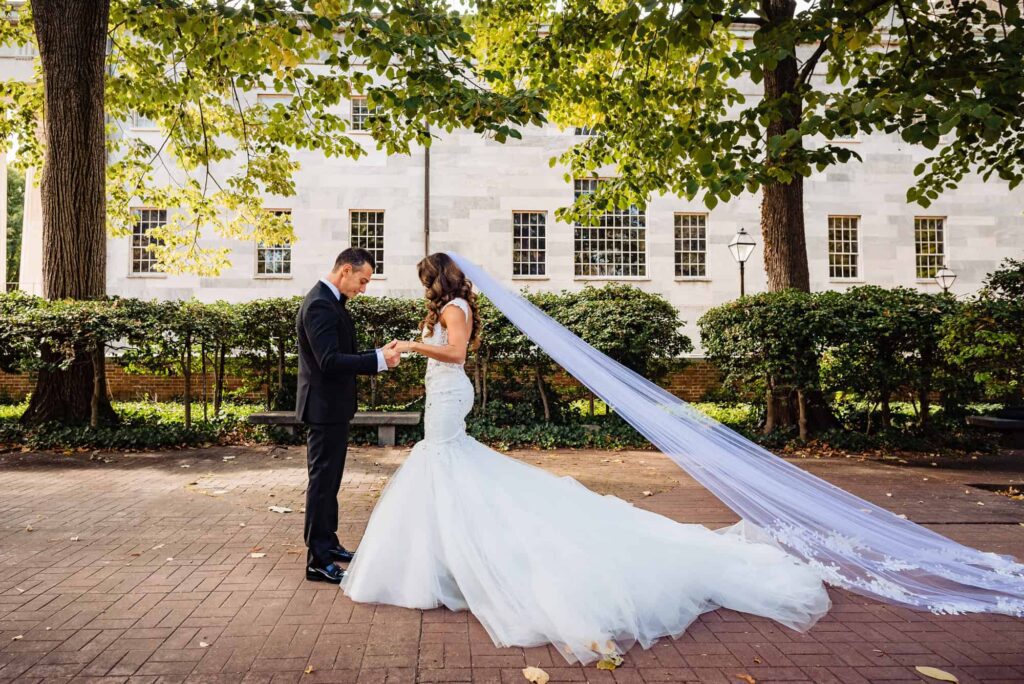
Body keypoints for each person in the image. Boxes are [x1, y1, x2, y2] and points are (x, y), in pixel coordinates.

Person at [340, 253, 830, 664]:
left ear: (436, 277)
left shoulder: (455, 309)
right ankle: (445, 563)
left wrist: (411, 346)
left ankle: (454, 564)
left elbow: (457, 355)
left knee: (444, 463)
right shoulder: (453, 306)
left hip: (448, 398)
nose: (423, 286)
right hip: (444, 398)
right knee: (446, 468)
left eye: (425, 279)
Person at [296, 247, 400, 584]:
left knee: (331, 482)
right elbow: (329, 361)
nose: (363, 288)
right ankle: (318, 559)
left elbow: (341, 354)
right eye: (362, 280)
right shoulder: (319, 305)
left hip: (333, 408)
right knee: (322, 483)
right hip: (323, 410)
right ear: (345, 270)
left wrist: (375, 355)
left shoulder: (331, 302)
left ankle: (330, 542)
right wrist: (378, 360)